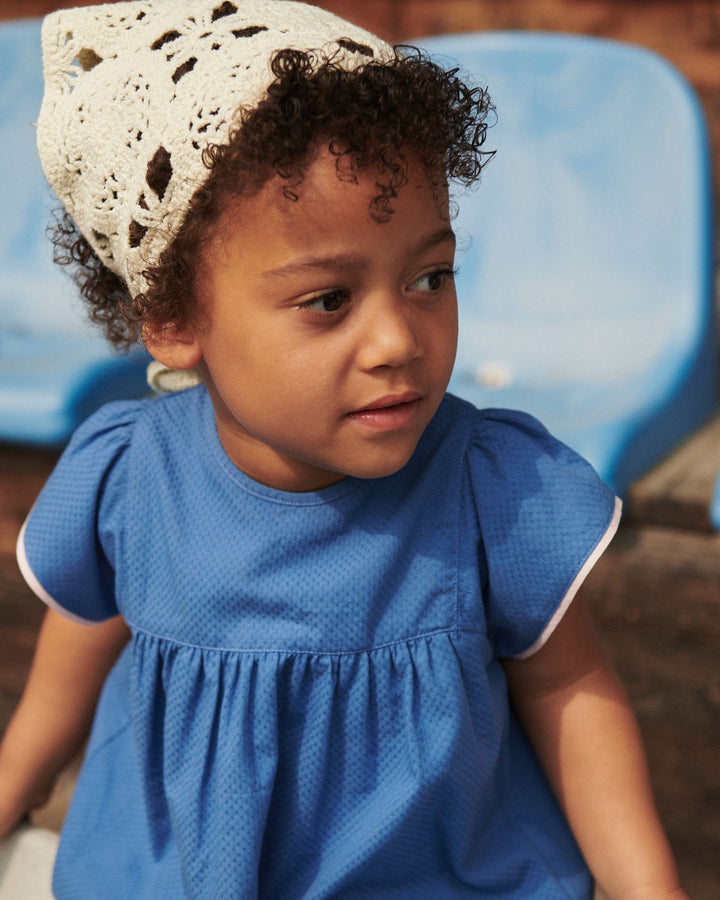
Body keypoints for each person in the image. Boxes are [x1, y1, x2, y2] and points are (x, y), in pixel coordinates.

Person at [0, 1, 689, 897]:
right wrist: (15, 782)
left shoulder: (491, 488)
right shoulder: (133, 477)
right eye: (329, 300)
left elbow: (569, 693)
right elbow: (85, 634)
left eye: (429, 277)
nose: (398, 339)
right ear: (173, 319)